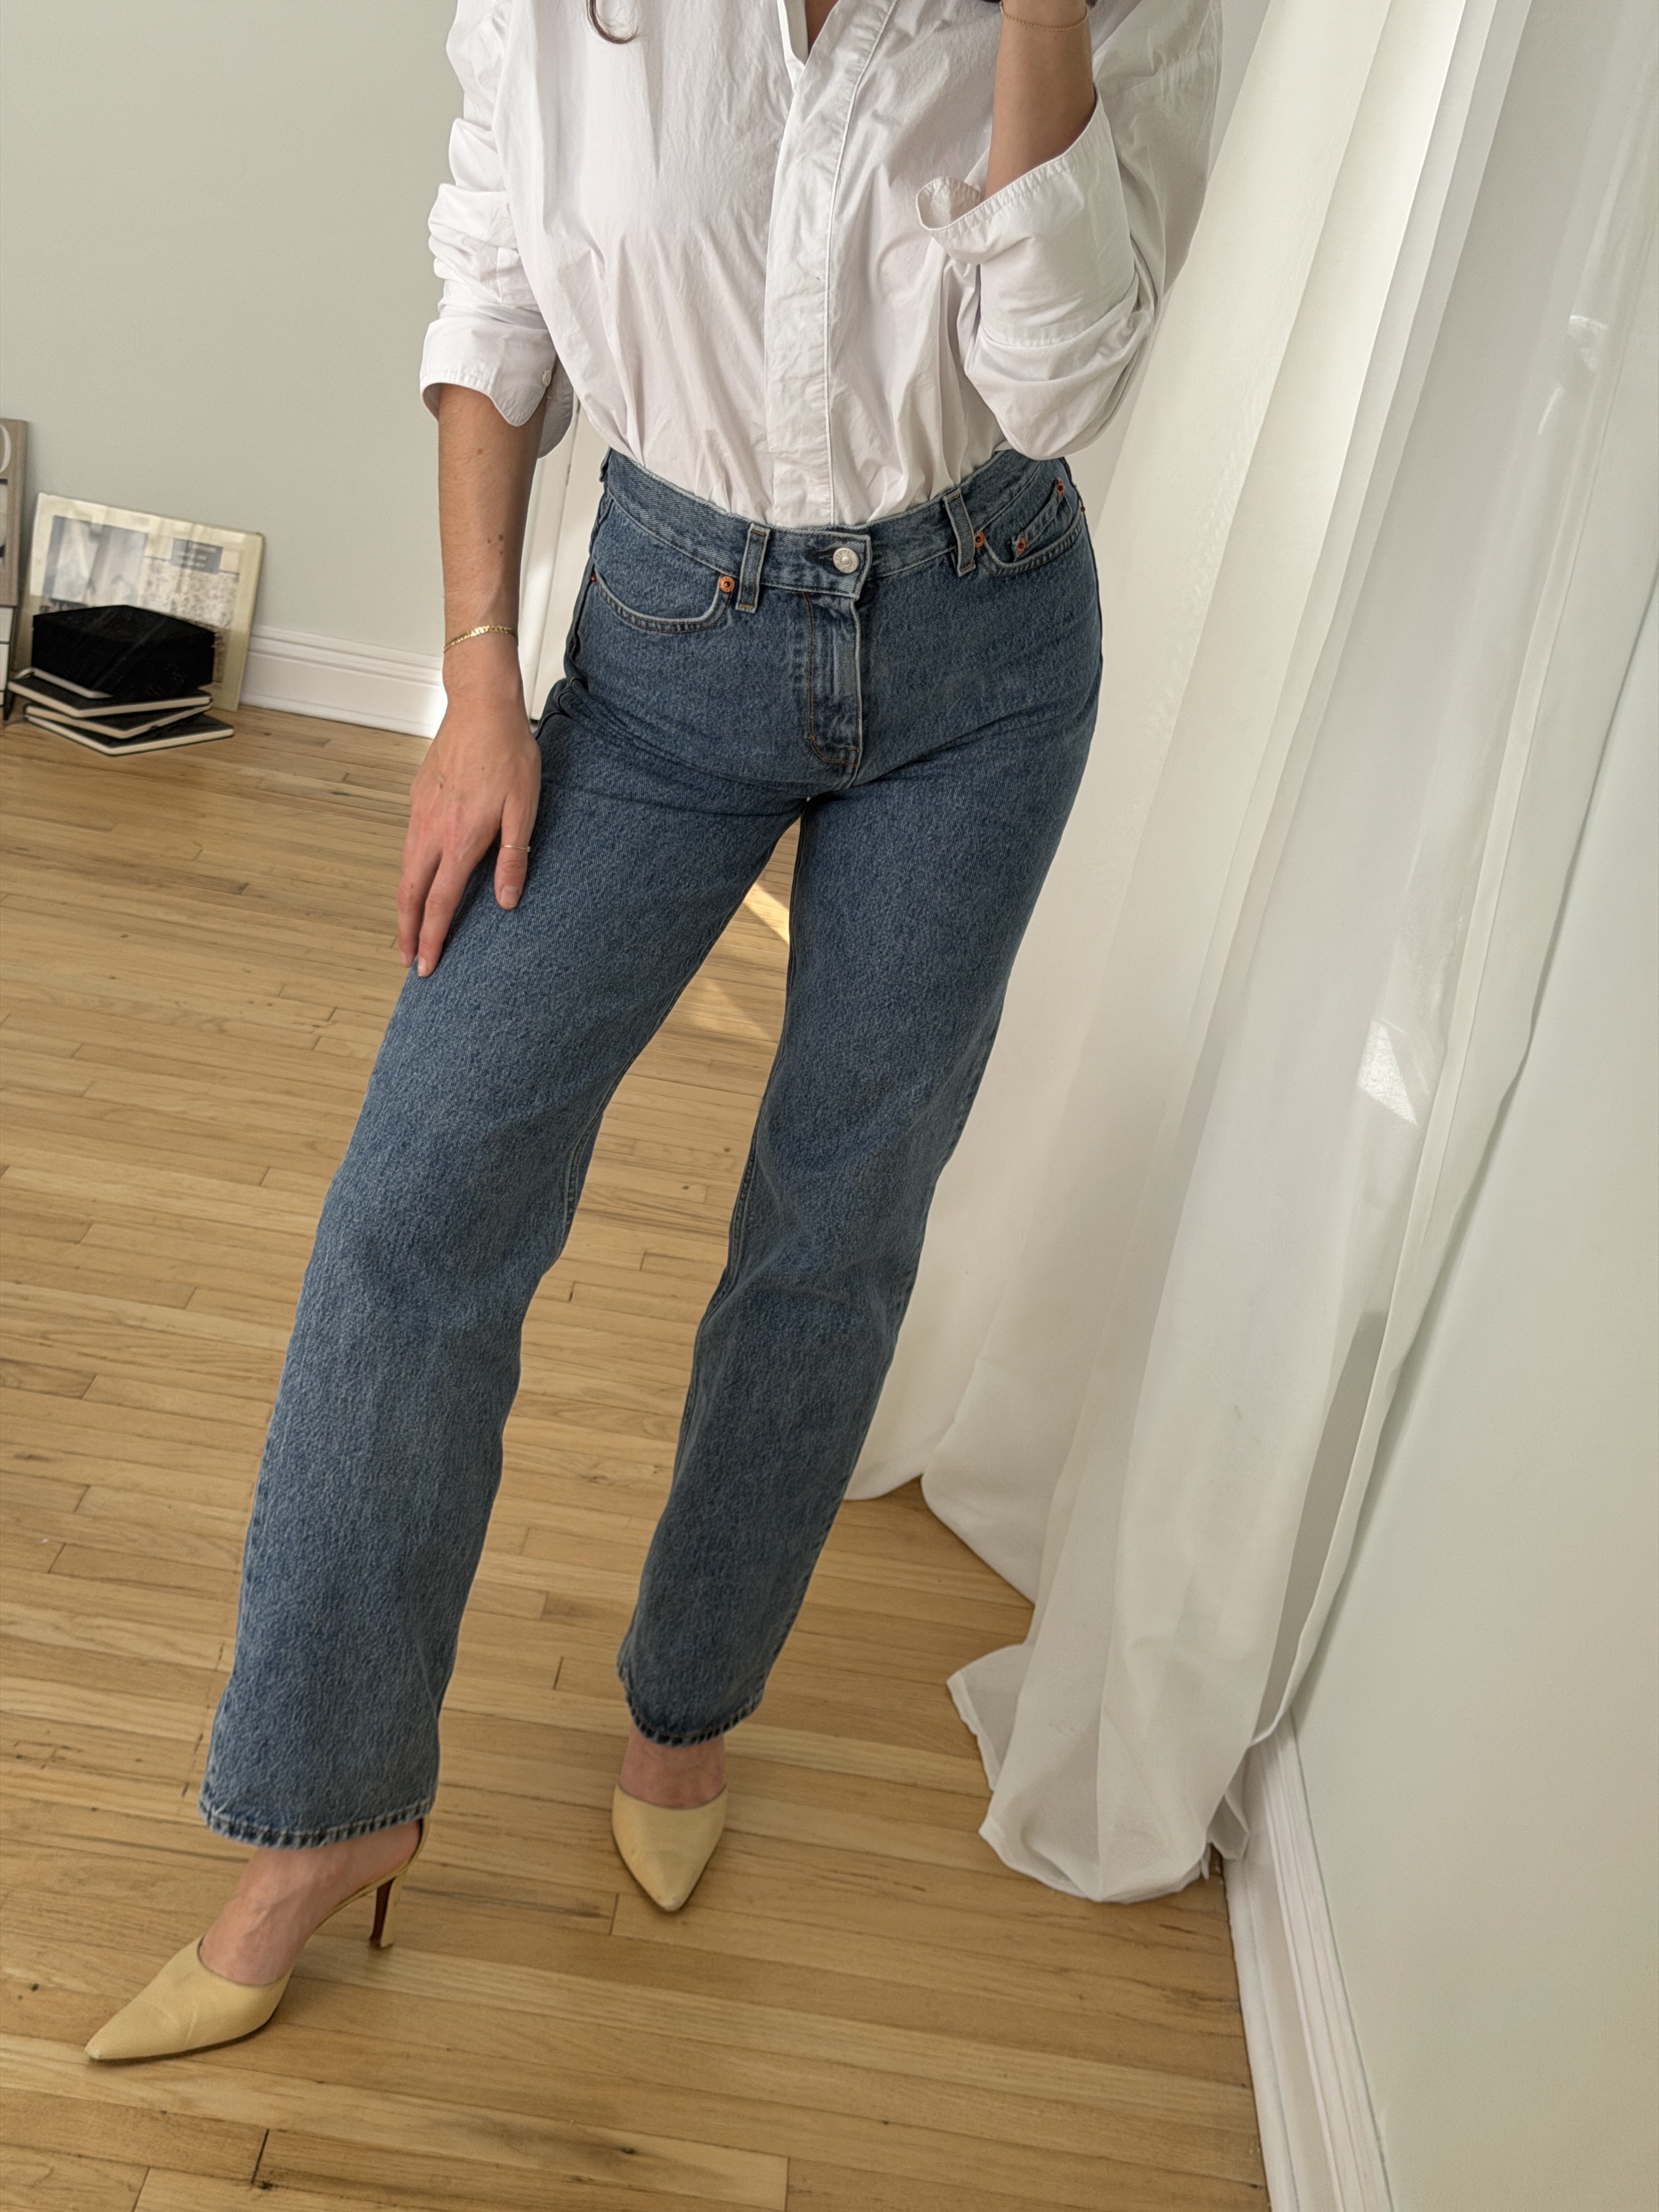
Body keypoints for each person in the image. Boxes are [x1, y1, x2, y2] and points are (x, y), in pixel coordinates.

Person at [87, 0, 1218, 2063]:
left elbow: (1061, 380)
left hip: (984, 645)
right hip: (661, 633)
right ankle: (325, 1814)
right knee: (418, 1201)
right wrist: (474, 683)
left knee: (834, 1219)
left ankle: (686, 1708)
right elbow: (497, 285)